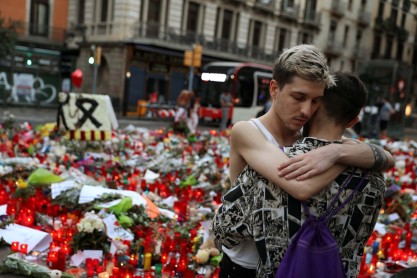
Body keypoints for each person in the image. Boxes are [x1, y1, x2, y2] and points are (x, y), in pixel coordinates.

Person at [211, 45, 394, 277]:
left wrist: (336, 153)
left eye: (316, 101)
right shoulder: (248, 131)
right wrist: (340, 154)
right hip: (244, 267)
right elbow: (300, 187)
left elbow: (386, 158)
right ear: (275, 89)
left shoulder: (307, 139)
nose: (306, 110)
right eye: (299, 97)